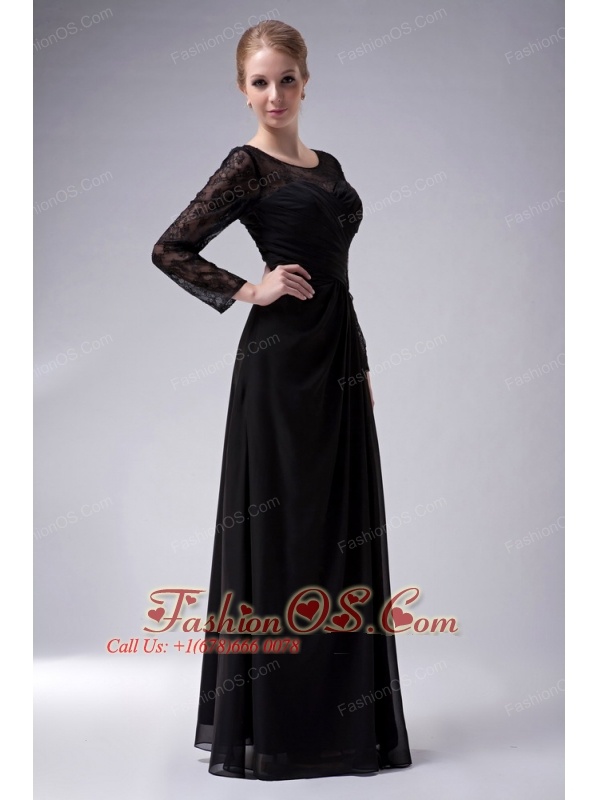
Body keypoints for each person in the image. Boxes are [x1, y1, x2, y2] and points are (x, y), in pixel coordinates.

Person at [151, 19, 412, 781]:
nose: (275, 94)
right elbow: (170, 247)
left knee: (339, 526)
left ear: (306, 80)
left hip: (338, 354)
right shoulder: (246, 165)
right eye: (260, 82)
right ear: (243, 90)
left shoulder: (330, 166)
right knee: (280, 528)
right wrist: (248, 289)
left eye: (286, 79)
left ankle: (340, 723)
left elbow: (337, 274)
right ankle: (277, 727)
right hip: (278, 364)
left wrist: (360, 363)